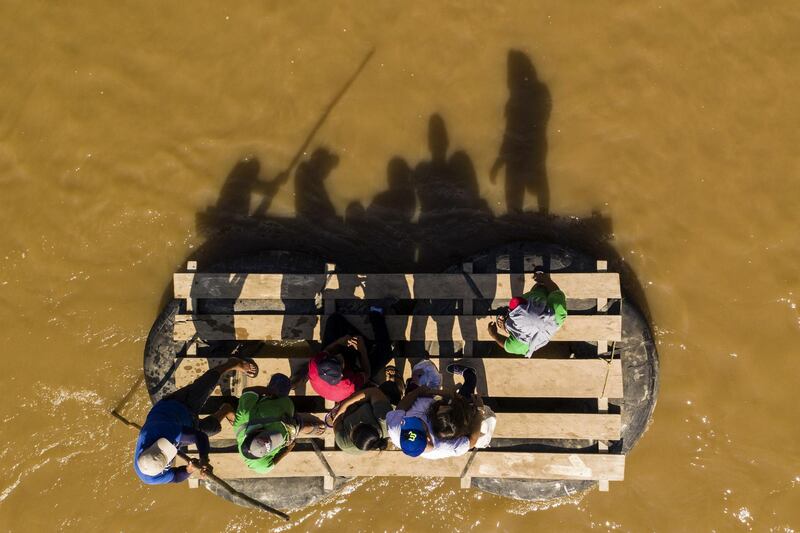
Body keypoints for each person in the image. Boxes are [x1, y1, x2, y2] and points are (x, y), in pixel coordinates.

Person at [134, 357, 258, 485]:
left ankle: (232, 364)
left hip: (178, 406)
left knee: (205, 385)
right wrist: (189, 469)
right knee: (212, 428)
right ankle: (225, 410)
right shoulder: (151, 477)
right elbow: (175, 477)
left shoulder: (155, 431)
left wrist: (204, 459)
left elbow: (198, 436)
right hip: (186, 425)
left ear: (146, 448)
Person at [386, 362, 484, 460]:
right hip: (452, 412)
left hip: (423, 395)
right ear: (429, 438)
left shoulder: (395, 430)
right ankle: (469, 374)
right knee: (470, 383)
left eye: (407, 425)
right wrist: (479, 411)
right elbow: (472, 441)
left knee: (421, 367)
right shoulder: (446, 446)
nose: (414, 418)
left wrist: (421, 391)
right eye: (418, 424)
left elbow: (401, 407)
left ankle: (412, 382)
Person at [233, 373, 326, 474]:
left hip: (277, 400)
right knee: (300, 427)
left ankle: (292, 384)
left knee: (281, 380)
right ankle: (304, 424)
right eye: (272, 442)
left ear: (256, 431)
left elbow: (248, 392)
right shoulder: (260, 465)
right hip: (290, 426)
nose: (273, 437)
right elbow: (273, 462)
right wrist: (287, 449)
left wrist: (271, 392)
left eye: (269, 435)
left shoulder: (245, 415)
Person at [301, 309, 394, 402]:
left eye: (334, 357)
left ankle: (366, 343)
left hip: (333, 371)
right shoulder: (349, 384)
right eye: (340, 361)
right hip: (353, 371)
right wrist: (362, 350)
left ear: (324, 360)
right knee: (385, 353)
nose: (339, 356)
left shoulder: (315, 364)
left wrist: (340, 341)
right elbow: (367, 374)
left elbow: (327, 350)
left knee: (334, 319)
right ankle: (376, 315)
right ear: (342, 374)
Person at [487, 272, 567, 357]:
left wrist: (494, 335)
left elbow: (508, 346)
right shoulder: (556, 311)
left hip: (537, 296)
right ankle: (509, 325)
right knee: (546, 292)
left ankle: (508, 327)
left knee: (510, 327)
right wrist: (546, 280)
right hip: (542, 297)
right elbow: (556, 291)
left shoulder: (522, 342)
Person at [331, 387, 392, 454]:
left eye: (352, 428)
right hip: (373, 401)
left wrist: (340, 411)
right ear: (371, 425)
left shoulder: (344, 443)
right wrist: (345, 404)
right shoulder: (384, 419)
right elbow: (373, 391)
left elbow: (336, 423)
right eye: (358, 425)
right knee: (389, 389)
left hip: (356, 406)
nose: (358, 422)